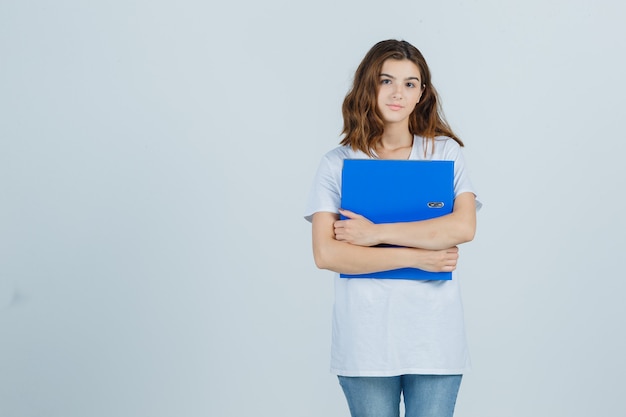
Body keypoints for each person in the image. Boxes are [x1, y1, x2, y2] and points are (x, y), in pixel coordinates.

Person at [304, 39, 482, 417]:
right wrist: (421, 256)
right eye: (386, 81)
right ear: (368, 85)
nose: (397, 93)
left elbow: (463, 226)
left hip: (435, 339)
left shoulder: (444, 153)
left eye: (410, 83)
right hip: (365, 339)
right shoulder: (338, 163)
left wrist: (376, 235)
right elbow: (327, 254)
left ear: (422, 94)